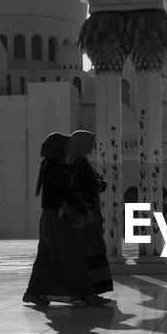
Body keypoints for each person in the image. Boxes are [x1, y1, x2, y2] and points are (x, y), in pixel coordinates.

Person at [22, 132, 89, 306]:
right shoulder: (54, 166)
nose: (68, 150)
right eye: (65, 146)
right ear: (58, 147)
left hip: (51, 216)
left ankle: (34, 292)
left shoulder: (51, 165)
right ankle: (71, 293)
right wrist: (83, 207)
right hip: (55, 217)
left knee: (48, 255)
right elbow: (66, 191)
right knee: (67, 253)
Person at [63, 129, 114, 304]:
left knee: (82, 253)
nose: (92, 146)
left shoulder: (69, 162)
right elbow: (93, 186)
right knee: (92, 251)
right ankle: (90, 292)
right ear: (82, 144)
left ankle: (81, 291)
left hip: (78, 215)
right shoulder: (82, 163)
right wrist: (101, 184)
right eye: (90, 143)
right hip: (87, 215)